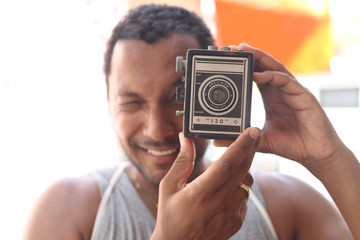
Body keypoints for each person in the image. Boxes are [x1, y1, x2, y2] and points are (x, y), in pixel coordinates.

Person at [23, 4, 360, 240]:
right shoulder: (69, 209)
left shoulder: (284, 206)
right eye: (132, 102)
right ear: (108, 103)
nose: (157, 129)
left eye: (179, 97)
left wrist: (328, 157)